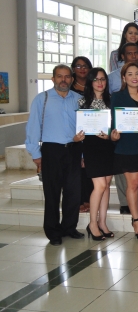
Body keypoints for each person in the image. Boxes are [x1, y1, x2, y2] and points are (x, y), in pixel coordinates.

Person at [25, 65, 83, 246]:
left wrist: (83, 155)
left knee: (73, 192)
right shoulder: (42, 99)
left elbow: (86, 128)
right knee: (52, 193)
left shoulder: (80, 100)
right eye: (60, 76)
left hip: (74, 149)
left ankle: (69, 227)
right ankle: (53, 231)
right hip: (51, 150)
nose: (63, 80)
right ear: (53, 79)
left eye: (67, 77)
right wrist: (35, 154)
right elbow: (33, 127)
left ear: (72, 80)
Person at [110, 62, 138, 239]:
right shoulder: (117, 97)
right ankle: (135, 220)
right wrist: (112, 135)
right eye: (130, 74)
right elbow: (114, 123)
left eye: (137, 73)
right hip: (128, 147)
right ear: (123, 78)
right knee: (134, 185)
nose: (134, 77)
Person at [76, 67, 115, 241]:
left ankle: (102, 222)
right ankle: (92, 224)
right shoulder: (82, 102)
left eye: (103, 79)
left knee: (106, 186)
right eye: (96, 79)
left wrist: (111, 136)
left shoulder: (112, 101)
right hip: (91, 147)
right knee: (99, 186)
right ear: (90, 82)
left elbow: (116, 127)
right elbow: (79, 129)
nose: (100, 83)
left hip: (108, 146)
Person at [70, 56, 92, 213]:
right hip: (74, 134)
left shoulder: (93, 87)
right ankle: (78, 200)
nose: (82, 68)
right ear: (73, 69)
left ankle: (89, 198)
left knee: (89, 168)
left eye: (85, 66)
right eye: (78, 66)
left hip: (92, 133)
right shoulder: (69, 90)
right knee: (76, 169)